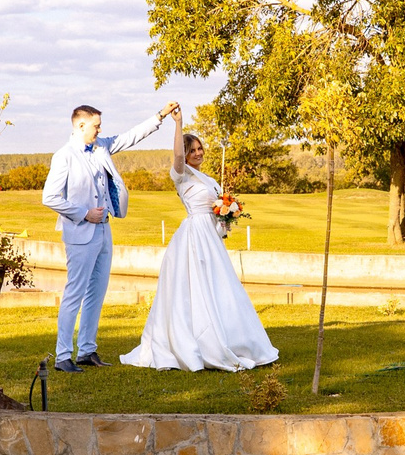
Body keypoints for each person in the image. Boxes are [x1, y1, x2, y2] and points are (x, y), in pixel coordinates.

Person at [120, 113, 279, 371]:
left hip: (212, 238)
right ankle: (198, 343)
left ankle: (234, 339)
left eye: (199, 148)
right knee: (192, 289)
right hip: (193, 236)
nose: (198, 153)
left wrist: (227, 215)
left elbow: (217, 208)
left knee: (220, 288)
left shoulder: (211, 180)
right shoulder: (181, 175)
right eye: (192, 149)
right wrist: (178, 124)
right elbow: (178, 159)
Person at [42, 101, 175, 371]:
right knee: (74, 293)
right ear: (80, 126)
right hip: (80, 232)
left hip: (104, 229)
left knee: (97, 292)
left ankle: (87, 351)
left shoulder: (101, 146)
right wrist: (83, 213)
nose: (100, 129)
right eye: (96, 125)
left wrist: (159, 115)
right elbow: (49, 198)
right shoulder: (64, 156)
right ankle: (62, 356)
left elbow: (130, 137)